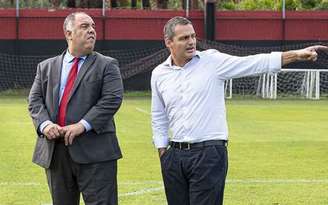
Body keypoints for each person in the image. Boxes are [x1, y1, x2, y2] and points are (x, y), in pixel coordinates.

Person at [151, 16, 327, 205]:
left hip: (209, 154)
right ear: (169, 42)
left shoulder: (212, 62)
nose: (191, 42)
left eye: (193, 36)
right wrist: (163, 152)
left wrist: (296, 55)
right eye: (184, 38)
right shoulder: (159, 74)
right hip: (174, 157)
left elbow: (253, 63)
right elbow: (158, 115)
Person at [28, 12, 123, 205]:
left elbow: (111, 99)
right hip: (56, 153)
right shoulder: (45, 67)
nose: (91, 31)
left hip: (96, 153)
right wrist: (45, 125)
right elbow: (35, 101)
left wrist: (83, 125)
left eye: (93, 27)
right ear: (68, 33)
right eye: (85, 26)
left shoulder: (107, 65)